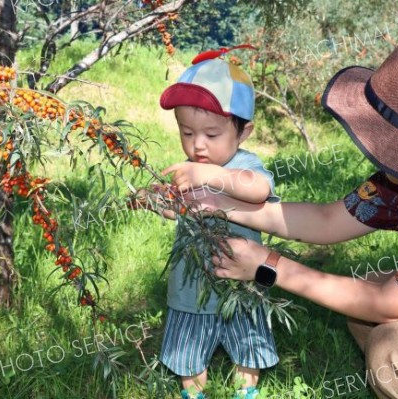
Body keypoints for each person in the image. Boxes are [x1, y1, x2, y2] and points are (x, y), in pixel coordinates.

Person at [192, 37, 398, 398]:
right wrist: (217, 204)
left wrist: (267, 265)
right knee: (361, 303)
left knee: (395, 352)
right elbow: (329, 220)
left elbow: (386, 305)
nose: (379, 151)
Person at [158, 53, 280, 399]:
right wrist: (157, 200)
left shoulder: (244, 164)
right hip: (191, 282)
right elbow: (176, 211)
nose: (198, 144)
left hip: (241, 283)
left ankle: (247, 389)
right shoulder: (189, 168)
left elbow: (260, 189)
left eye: (212, 133)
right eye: (187, 132)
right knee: (188, 345)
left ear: (244, 132)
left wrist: (210, 176)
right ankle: (193, 391)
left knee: (247, 339)